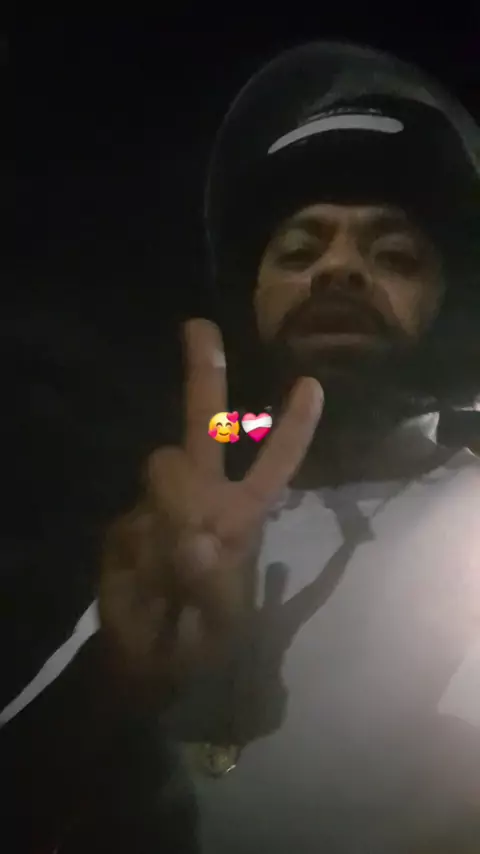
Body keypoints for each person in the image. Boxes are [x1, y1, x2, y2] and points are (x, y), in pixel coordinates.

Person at [3, 41, 479, 853]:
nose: (339, 270)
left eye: (395, 254)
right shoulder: (186, 529)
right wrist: (115, 679)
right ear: (250, 300)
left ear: (451, 302)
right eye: (298, 250)